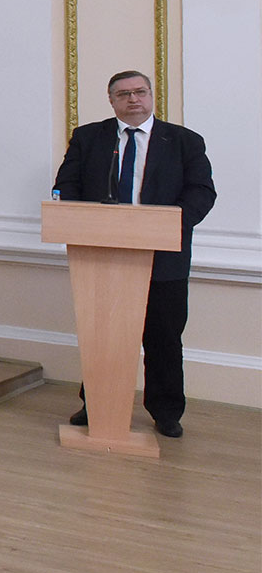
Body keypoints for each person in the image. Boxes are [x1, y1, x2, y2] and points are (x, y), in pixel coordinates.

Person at [53, 70, 214, 438]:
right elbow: (67, 185)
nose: (133, 99)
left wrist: (168, 223)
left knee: (163, 338)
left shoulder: (184, 141)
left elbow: (202, 192)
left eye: (140, 92)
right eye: (123, 94)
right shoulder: (89, 138)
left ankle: (166, 411)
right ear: (111, 100)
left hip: (163, 258)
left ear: (151, 96)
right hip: (103, 257)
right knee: (103, 335)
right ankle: (96, 404)